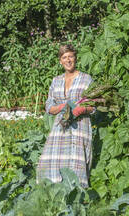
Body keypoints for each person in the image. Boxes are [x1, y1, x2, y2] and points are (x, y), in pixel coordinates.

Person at [37, 44, 94, 187]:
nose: (68, 60)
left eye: (70, 56)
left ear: (75, 58)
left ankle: (78, 198)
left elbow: (94, 105)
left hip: (79, 127)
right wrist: (62, 107)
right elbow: (48, 105)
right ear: (60, 61)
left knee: (75, 163)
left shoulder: (86, 79)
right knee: (50, 163)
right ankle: (54, 195)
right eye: (64, 57)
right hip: (60, 128)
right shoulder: (56, 81)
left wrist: (81, 109)